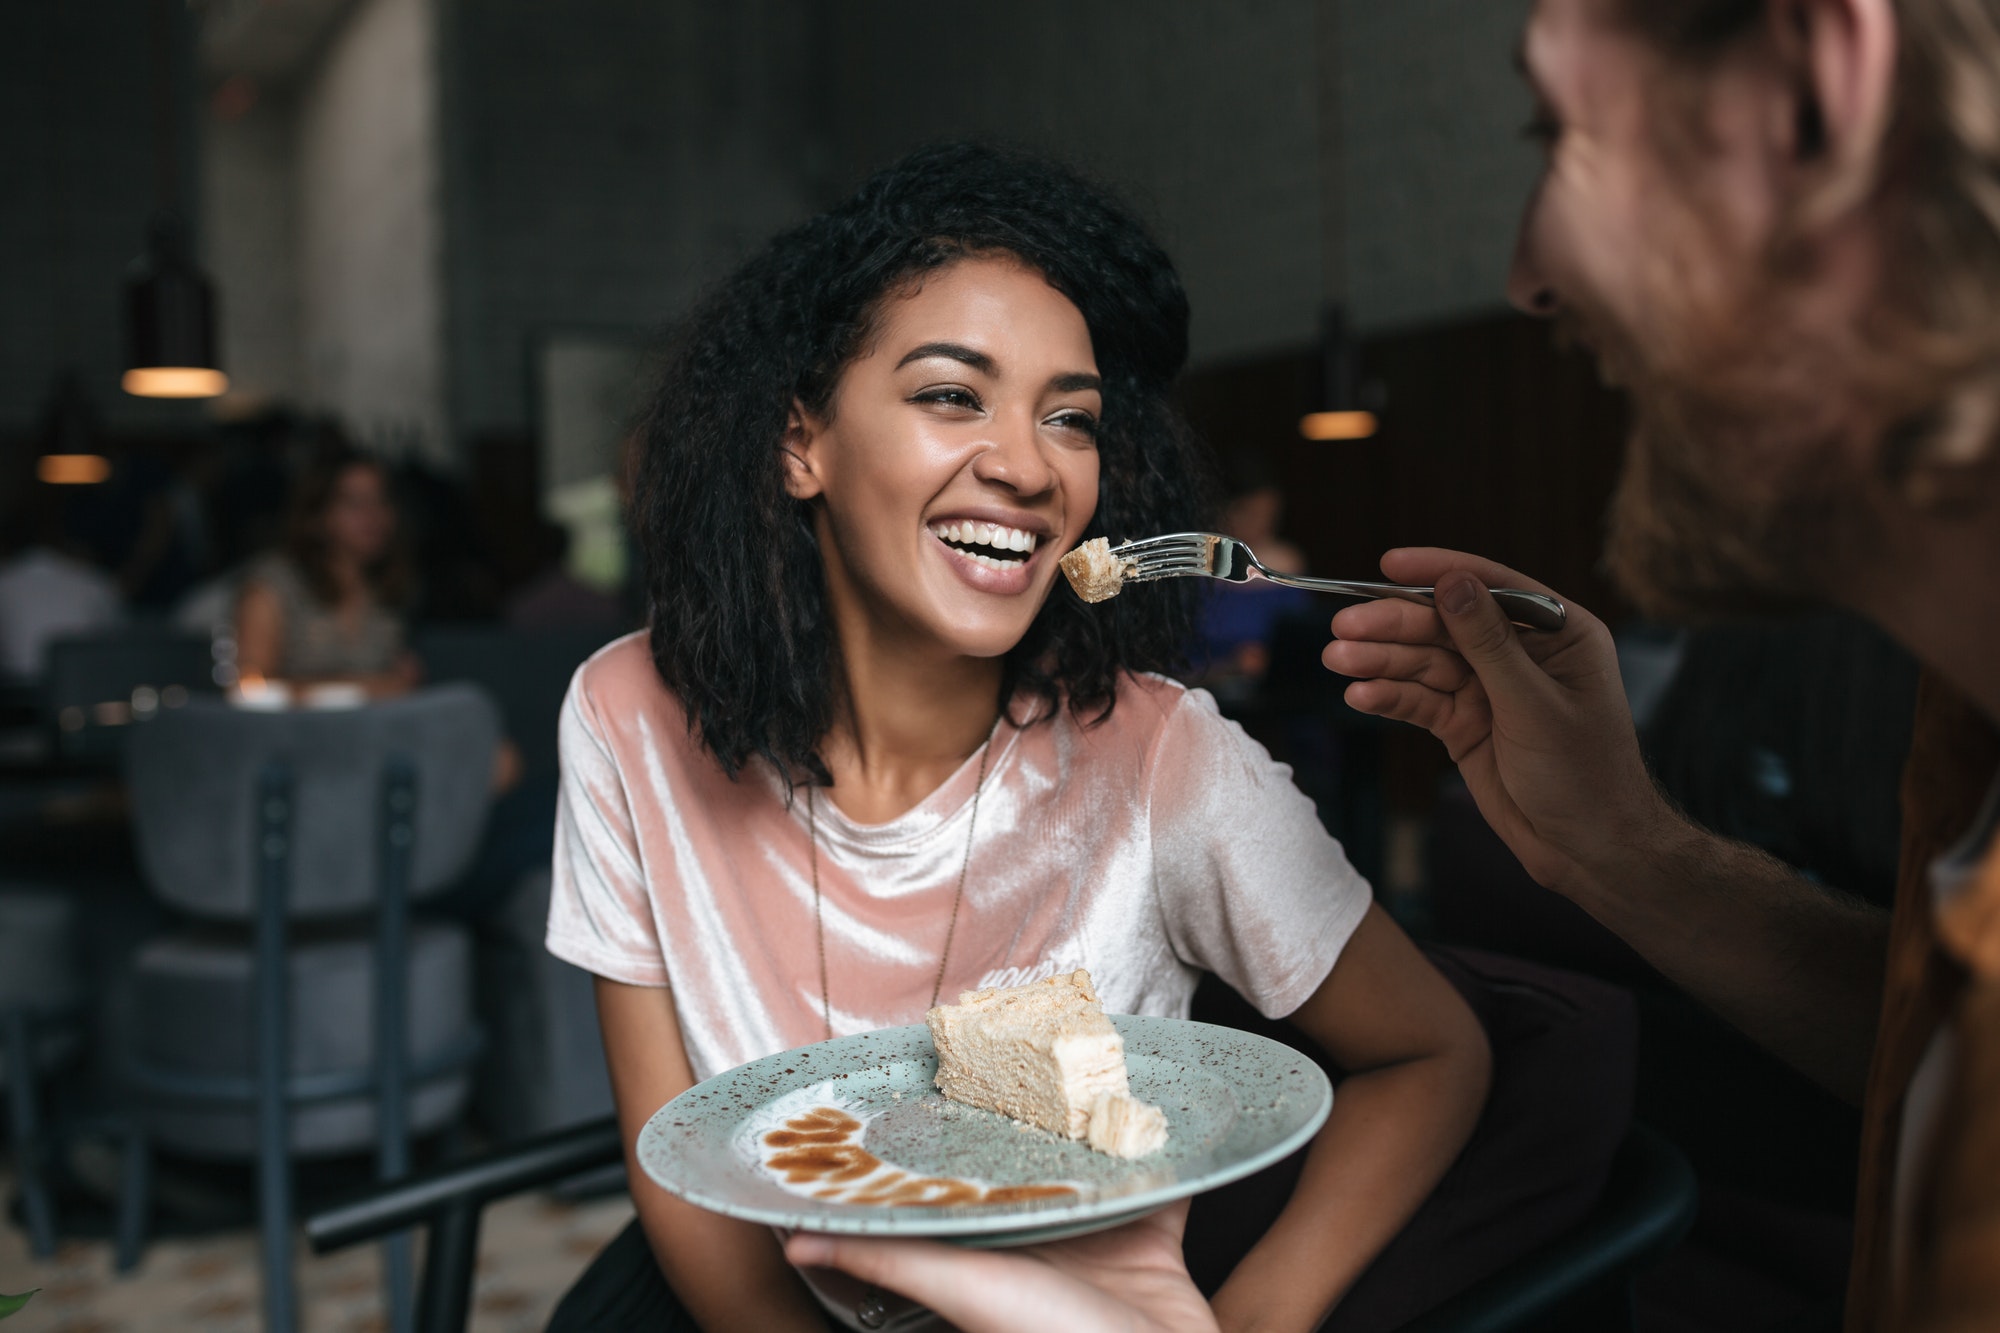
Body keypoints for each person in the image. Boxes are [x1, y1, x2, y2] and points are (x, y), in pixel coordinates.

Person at [543, 142, 1492, 1332]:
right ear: (802, 444)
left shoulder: (1167, 765)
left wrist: (1256, 1319)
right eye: (950, 394)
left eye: (1071, 420)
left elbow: (1428, 1054)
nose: (1026, 466)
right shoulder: (627, 714)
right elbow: (668, 1144)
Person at [1309, 1, 2000, 1329]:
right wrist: (1625, 848)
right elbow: (1937, 1045)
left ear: (1813, 98)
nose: (1525, 274)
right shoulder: (1962, 723)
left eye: (1558, 130)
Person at [234, 448, 421, 696]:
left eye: (381, 500)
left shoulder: (386, 587)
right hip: (293, 731)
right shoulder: (273, 587)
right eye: (354, 503)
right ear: (317, 516)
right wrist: (370, 688)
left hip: (371, 731)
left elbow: (400, 679)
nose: (372, 515)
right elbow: (251, 690)